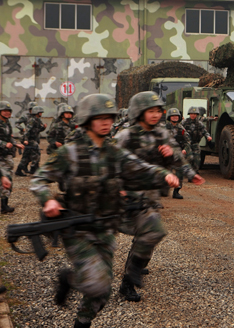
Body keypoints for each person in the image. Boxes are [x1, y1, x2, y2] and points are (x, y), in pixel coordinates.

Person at [30, 94, 180, 328]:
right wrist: (47, 200)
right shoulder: (70, 152)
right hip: (79, 231)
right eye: (99, 118)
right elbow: (39, 179)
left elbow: (140, 167)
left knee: (102, 293)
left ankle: (79, 314)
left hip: (106, 230)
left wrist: (163, 174)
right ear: (87, 120)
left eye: (109, 118)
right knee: (97, 284)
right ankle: (72, 279)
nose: (106, 123)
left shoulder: (113, 152)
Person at [114, 92, 204, 302]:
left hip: (151, 194)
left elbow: (177, 156)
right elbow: (109, 161)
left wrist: (189, 172)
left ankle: (129, 279)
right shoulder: (126, 136)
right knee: (138, 233)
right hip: (127, 195)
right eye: (150, 111)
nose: (155, 115)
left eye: (157, 111)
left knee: (151, 234)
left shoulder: (162, 134)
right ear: (139, 112)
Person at [0, 101, 24, 213]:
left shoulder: (7, 123)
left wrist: (15, 143)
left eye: (8, 111)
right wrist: (4, 144)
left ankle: (4, 205)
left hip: (6, 155)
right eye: (4, 110)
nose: (7, 113)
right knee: (4, 177)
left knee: (7, 177)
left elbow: (9, 137)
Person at [164, 108, 191, 199]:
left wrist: (185, 150)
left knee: (180, 172)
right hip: (166, 154)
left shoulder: (181, 129)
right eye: (173, 116)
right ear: (169, 117)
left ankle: (176, 191)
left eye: (176, 116)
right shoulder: (164, 128)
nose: (175, 118)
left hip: (178, 154)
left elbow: (188, 141)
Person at [16, 105, 46, 176]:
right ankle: (34, 168)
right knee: (37, 152)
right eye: (40, 112)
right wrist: (26, 140)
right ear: (36, 112)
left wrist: (43, 127)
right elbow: (27, 130)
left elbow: (38, 130)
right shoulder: (32, 120)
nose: (41, 113)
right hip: (29, 139)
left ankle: (20, 170)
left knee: (26, 155)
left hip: (33, 139)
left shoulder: (38, 120)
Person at [181, 106, 211, 172]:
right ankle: (187, 171)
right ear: (189, 114)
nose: (193, 115)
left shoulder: (199, 123)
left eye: (194, 114)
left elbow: (204, 131)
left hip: (195, 143)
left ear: (197, 115)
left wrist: (208, 136)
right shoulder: (184, 122)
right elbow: (180, 130)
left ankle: (195, 171)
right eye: (192, 114)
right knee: (189, 158)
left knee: (197, 159)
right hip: (187, 144)